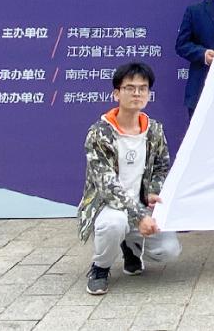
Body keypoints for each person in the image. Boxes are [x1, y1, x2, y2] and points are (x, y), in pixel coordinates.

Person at [78, 62, 182, 295]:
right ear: (116, 93)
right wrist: (139, 216)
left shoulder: (154, 129)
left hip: (141, 203)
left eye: (143, 88)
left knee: (169, 250)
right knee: (114, 224)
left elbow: (161, 166)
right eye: (130, 88)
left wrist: (152, 191)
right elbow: (107, 186)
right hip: (109, 205)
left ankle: (131, 248)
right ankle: (100, 268)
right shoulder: (99, 133)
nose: (137, 93)